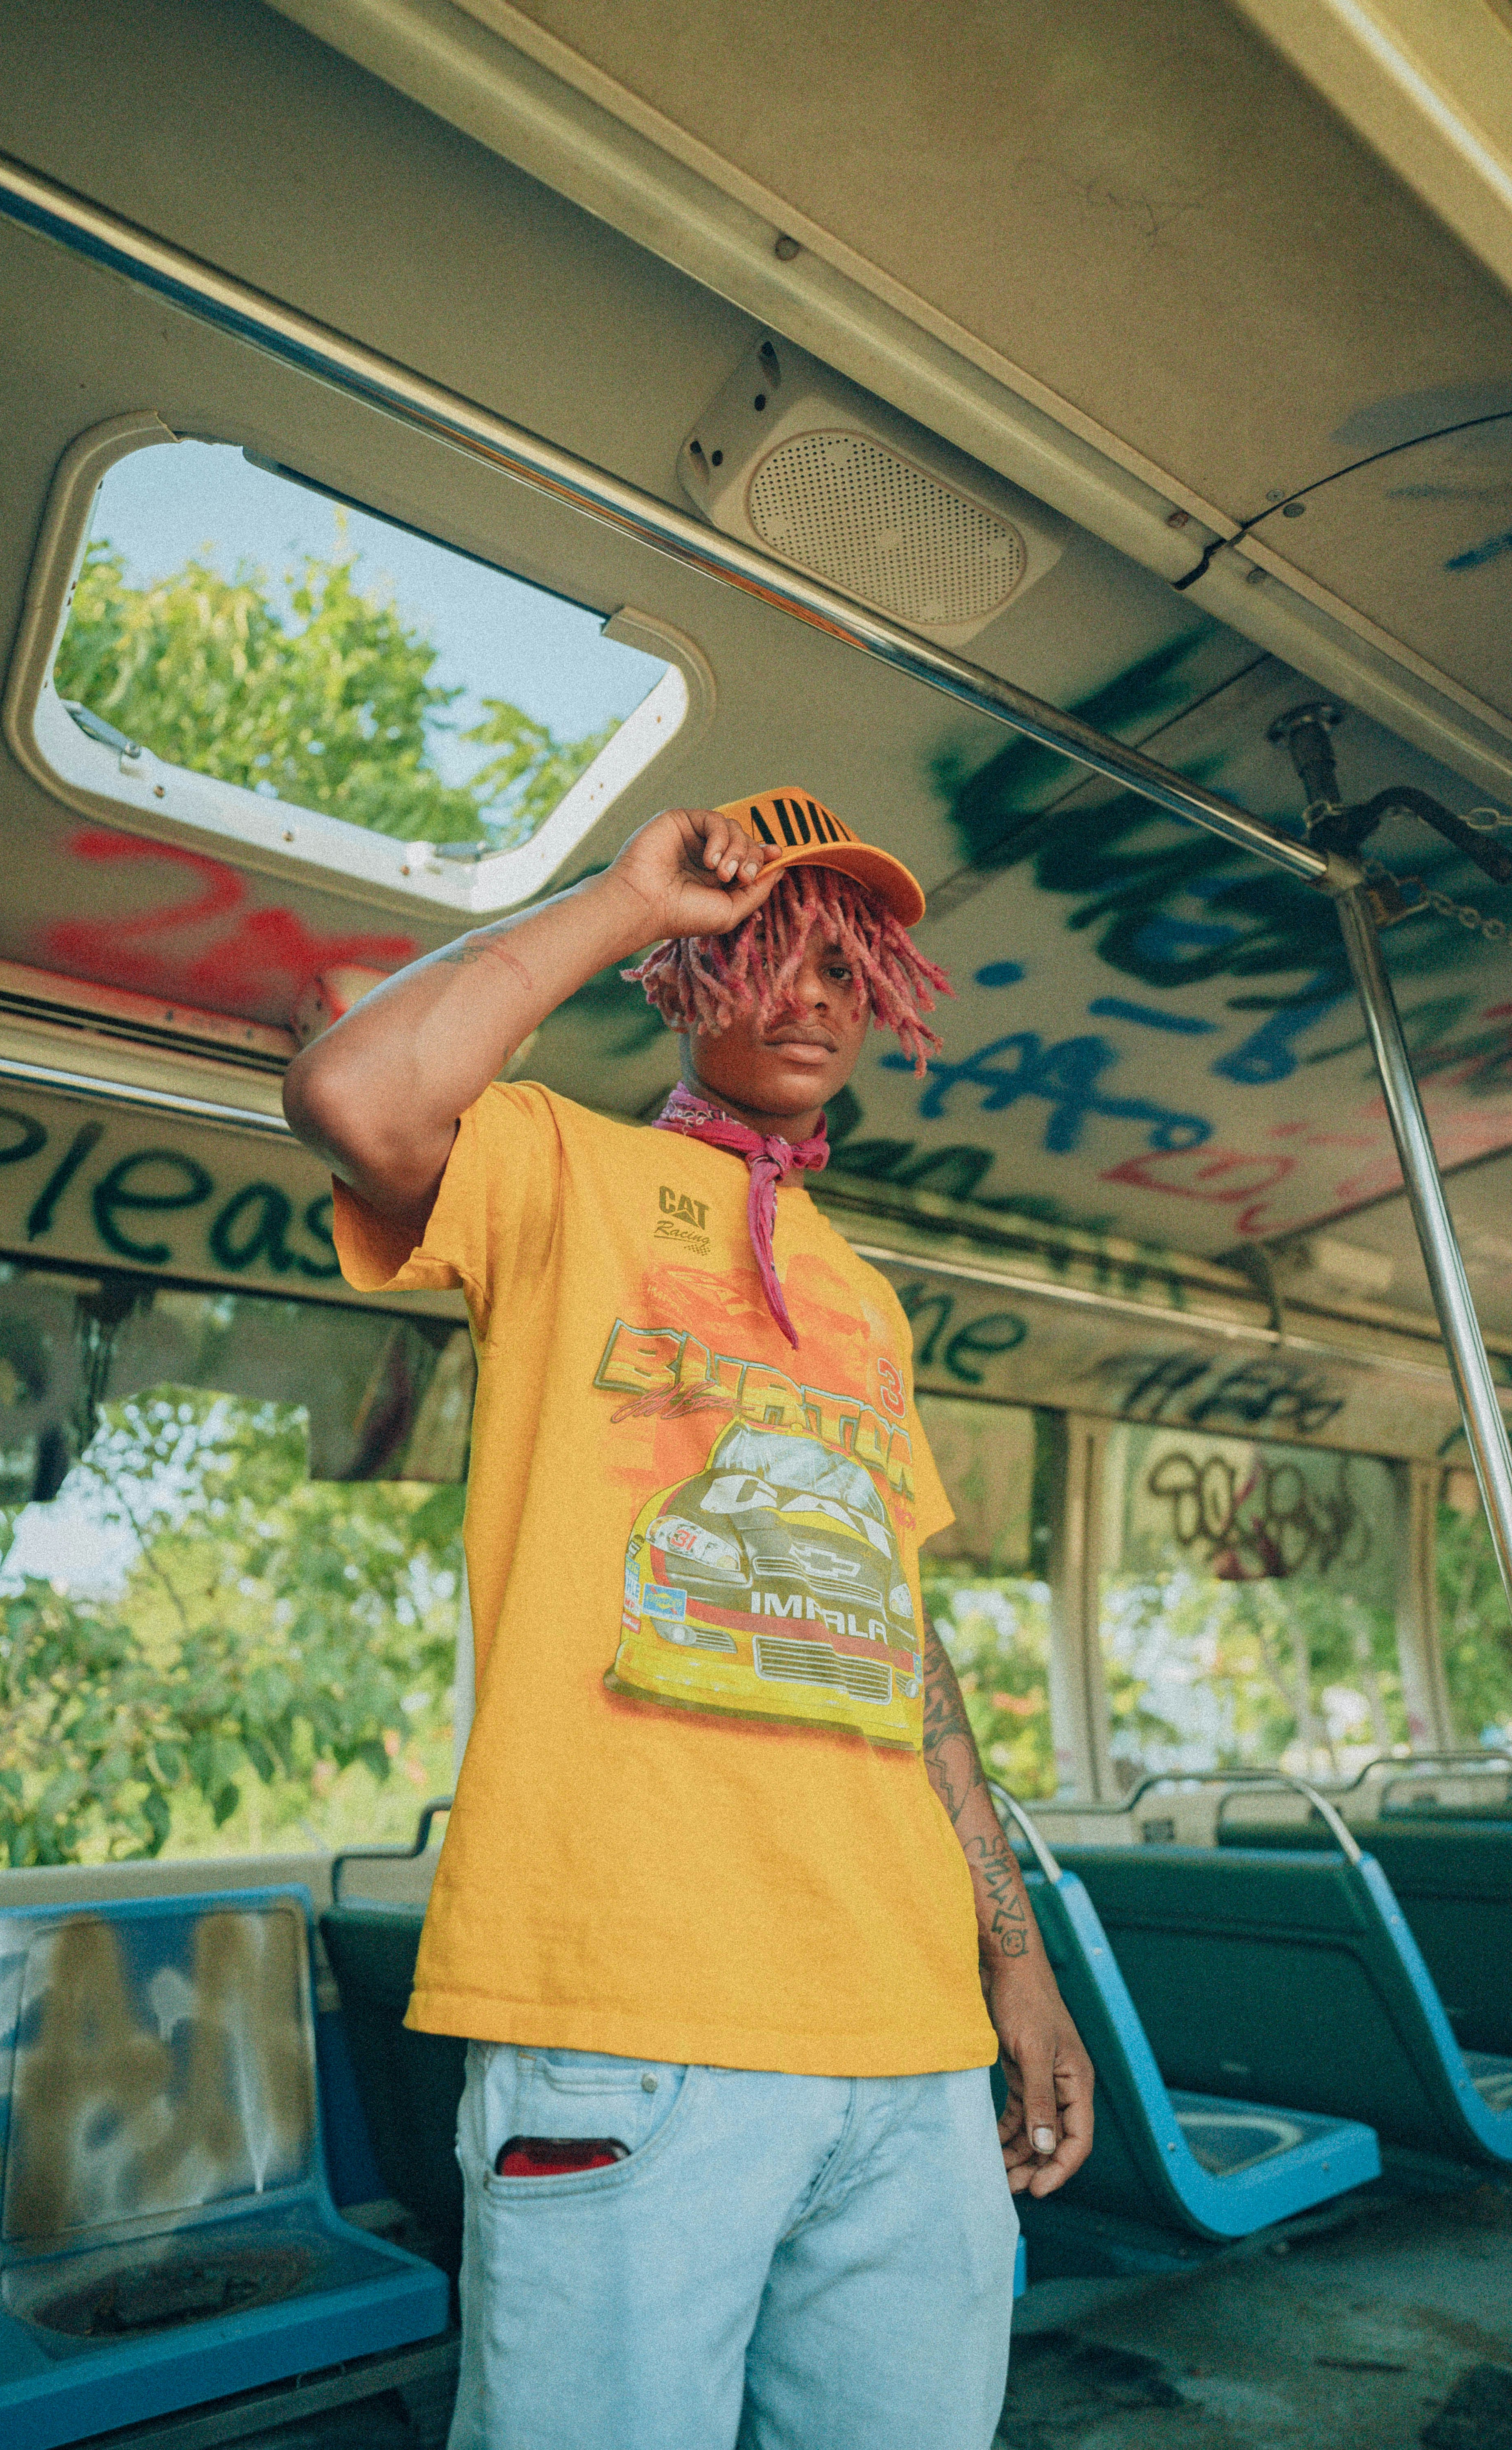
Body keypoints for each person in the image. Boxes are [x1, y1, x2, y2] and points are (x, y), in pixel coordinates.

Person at [283, 788, 1094, 2450]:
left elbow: (902, 1643)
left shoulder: (861, 1295)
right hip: (631, 2016)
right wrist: (632, 894)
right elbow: (354, 1092)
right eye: (762, 957)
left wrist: (1017, 1963)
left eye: (845, 974)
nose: (809, 1001)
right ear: (678, 979)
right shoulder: (558, 1171)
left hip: (911, 2030)